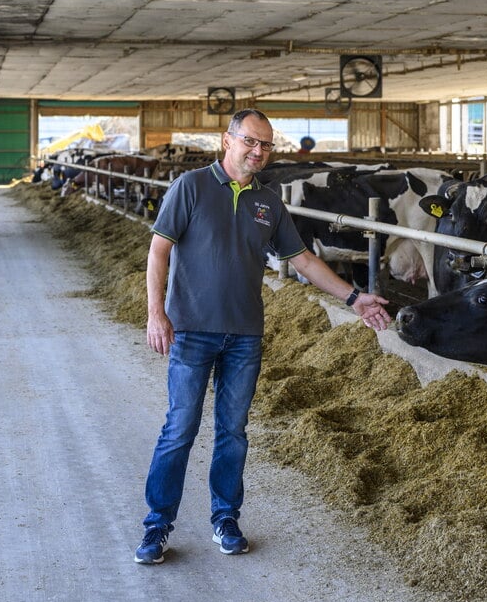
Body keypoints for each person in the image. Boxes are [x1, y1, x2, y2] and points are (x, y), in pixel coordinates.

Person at [134, 108, 392, 564]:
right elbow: (159, 252)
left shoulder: (268, 202)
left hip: (244, 336)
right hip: (191, 332)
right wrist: (157, 314)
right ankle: (157, 526)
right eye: (251, 141)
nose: (258, 151)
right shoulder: (190, 187)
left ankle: (225, 519)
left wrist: (354, 298)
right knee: (180, 428)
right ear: (227, 140)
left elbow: (304, 260)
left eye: (266, 144)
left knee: (233, 431)